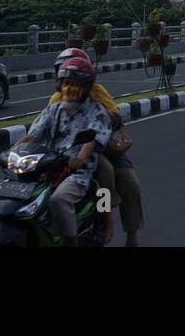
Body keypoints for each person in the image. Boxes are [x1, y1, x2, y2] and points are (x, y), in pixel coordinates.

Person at [46, 47, 144, 246]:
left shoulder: (98, 93)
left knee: (130, 185)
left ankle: (127, 233)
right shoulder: (57, 99)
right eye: (65, 73)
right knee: (104, 171)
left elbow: (116, 118)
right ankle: (98, 217)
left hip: (105, 148)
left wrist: (95, 105)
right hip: (73, 151)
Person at [24, 56, 113, 247]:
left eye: (75, 84)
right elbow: (32, 135)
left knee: (58, 200)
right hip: (47, 167)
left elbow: (91, 138)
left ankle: (71, 242)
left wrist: (79, 158)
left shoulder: (96, 111)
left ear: (86, 87)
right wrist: (7, 153)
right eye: (66, 83)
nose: (69, 89)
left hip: (76, 172)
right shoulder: (53, 109)